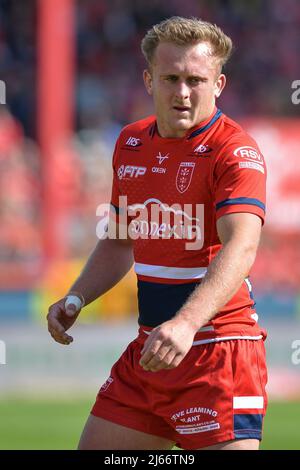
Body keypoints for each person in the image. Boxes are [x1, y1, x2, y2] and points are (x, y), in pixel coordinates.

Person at [47, 16, 268, 450]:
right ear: (149, 80)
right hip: (152, 349)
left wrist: (185, 324)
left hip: (216, 350)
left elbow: (243, 243)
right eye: (170, 78)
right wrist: (76, 297)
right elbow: (118, 238)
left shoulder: (234, 150)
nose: (182, 93)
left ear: (218, 84)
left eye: (196, 80)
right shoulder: (130, 143)